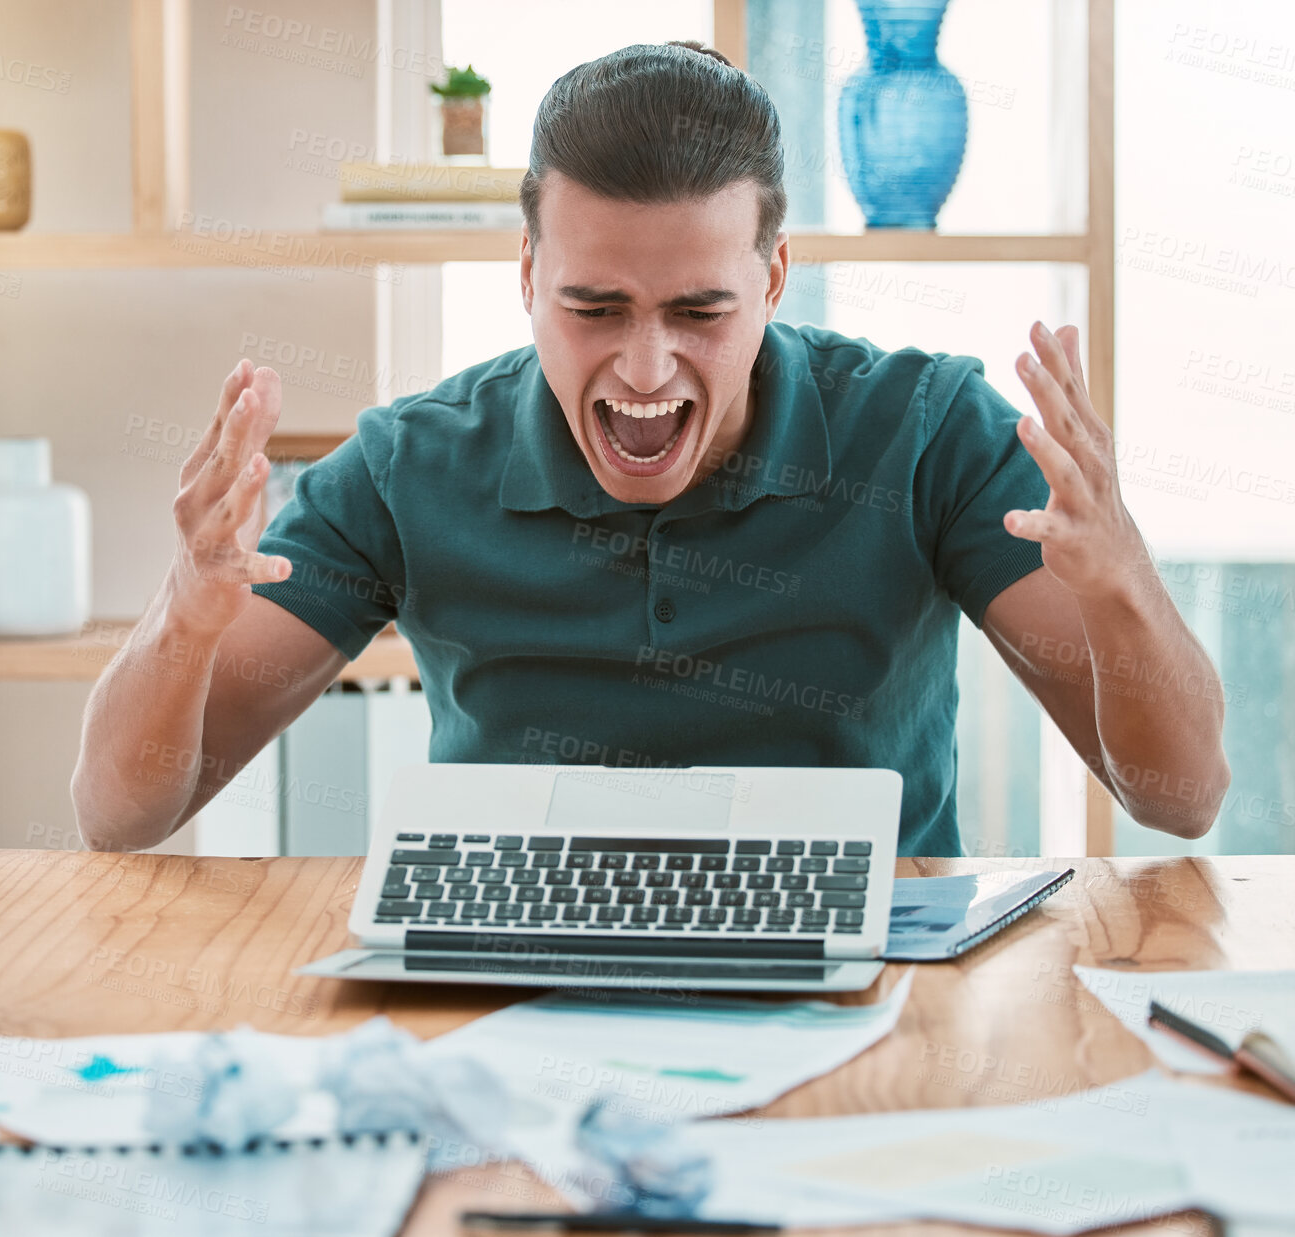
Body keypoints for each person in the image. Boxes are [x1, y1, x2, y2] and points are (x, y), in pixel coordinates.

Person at [72, 41, 1230, 857]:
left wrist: (1122, 580)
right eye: (592, 307)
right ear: (526, 277)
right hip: (507, 971)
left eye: (697, 312)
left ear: (772, 279)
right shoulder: (407, 465)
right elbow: (121, 815)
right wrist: (183, 612)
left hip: (869, 973)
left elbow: (1176, 798)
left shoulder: (922, 431)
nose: (641, 369)